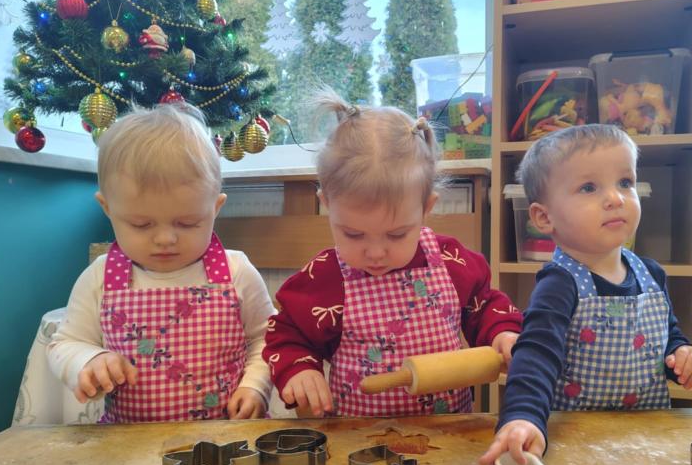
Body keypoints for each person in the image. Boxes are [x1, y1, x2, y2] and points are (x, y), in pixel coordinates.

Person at [264, 90, 523, 417]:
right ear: (327, 204)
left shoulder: (449, 261)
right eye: (353, 234)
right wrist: (299, 370)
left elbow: (484, 305)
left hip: (449, 432)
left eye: (397, 234)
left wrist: (502, 332)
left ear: (426, 208)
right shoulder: (325, 277)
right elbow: (287, 334)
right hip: (358, 436)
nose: (375, 253)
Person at [479, 124, 692, 465]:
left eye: (625, 182)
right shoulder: (559, 283)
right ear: (544, 217)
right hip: (578, 444)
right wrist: (523, 418)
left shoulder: (651, 274)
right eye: (589, 187)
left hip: (643, 442)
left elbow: (666, 340)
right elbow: (536, 355)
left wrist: (684, 356)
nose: (615, 198)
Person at [48, 103, 275, 422]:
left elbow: (268, 338)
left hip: (225, 438)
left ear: (215, 208)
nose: (166, 238)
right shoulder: (100, 277)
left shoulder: (236, 272)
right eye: (141, 224)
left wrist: (255, 387)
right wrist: (87, 360)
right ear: (108, 208)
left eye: (188, 223)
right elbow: (66, 343)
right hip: (128, 442)